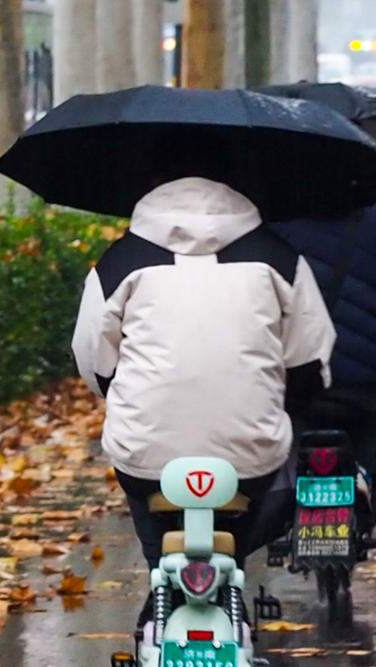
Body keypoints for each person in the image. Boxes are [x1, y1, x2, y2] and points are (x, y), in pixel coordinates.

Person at [72, 176, 336, 578]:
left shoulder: (119, 262)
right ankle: (231, 581)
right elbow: (309, 359)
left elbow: (92, 359)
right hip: (251, 454)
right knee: (241, 532)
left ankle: (160, 581)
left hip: (145, 455)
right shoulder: (278, 258)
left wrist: (128, 393)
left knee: (153, 530)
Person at [270, 200, 376, 484]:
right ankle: (369, 492)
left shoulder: (268, 222)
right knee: (366, 448)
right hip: (365, 380)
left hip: (294, 378)